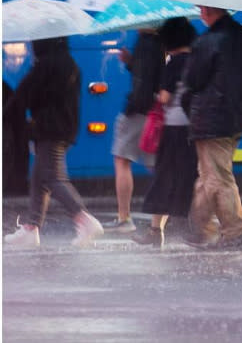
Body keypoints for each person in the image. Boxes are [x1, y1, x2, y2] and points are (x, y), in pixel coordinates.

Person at [3, 37, 104, 248]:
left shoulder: (46, 65)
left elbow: (24, 95)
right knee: (39, 178)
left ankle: (83, 218)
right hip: (63, 127)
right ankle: (31, 228)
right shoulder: (68, 63)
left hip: (49, 128)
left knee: (52, 177)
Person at [182, 6, 242, 251]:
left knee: (218, 178)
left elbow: (192, 80)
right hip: (235, 116)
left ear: (208, 10)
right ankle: (198, 229)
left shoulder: (208, 41)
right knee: (208, 176)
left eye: (202, 8)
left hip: (212, 118)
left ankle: (236, 233)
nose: (200, 12)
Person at [132, 18, 198, 248]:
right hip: (192, 129)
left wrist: (157, 92)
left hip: (173, 130)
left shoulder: (175, 63)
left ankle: (156, 230)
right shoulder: (196, 60)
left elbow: (166, 97)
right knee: (189, 178)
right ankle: (186, 226)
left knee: (164, 179)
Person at [103, 29, 163, 234]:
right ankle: (169, 216)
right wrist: (131, 63)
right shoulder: (160, 40)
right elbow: (151, 74)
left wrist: (134, 107)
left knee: (122, 159)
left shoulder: (147, 42)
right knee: (157, 166)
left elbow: (145, 82)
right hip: (154, 110)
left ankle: (124, 217)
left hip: (140, 110)